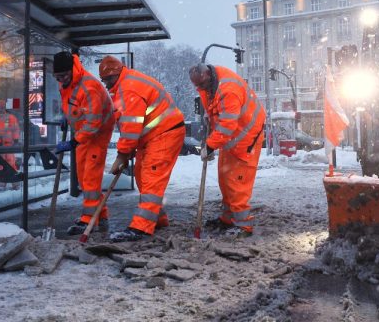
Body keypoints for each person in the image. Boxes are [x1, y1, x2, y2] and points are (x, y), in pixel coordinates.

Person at [98, 55, 186, 242]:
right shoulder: (125, 85)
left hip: (165, 134)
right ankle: (157, 219)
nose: (106, 85)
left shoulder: (129, 89)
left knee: (151, 178)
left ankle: (141, 227)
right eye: (103, 81)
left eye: (107, 80)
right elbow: (132, 126)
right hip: (153, 136)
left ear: (116, 74)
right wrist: (126, 151)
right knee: (142, 176)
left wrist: (122, 155)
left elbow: (131, 127)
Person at [189, 63, 266, 238]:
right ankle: (228, 218)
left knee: (237, 182)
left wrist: (209, 146)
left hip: (246, 138)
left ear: (208, 77)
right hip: (232, 139)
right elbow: (218, 112)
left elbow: (227, 126)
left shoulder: (228, 89)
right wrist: (210, 115)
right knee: (225, 179)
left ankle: (243, 226)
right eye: (198, 86)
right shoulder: (211, 84)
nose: (200, 89)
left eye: (202, 85)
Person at [52, 51, 116, 235]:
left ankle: (88, 220)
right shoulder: (67, 83)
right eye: (57, 77)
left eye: (63, 75)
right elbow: (73, 106)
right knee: (82, 176)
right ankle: (101, 214)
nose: (61, 79)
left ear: (72, 70)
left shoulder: (89, 87)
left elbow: (94, 122)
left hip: (98, 134)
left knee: (90, 177)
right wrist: (68, 118)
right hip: (83, 132)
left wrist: (73, 142)